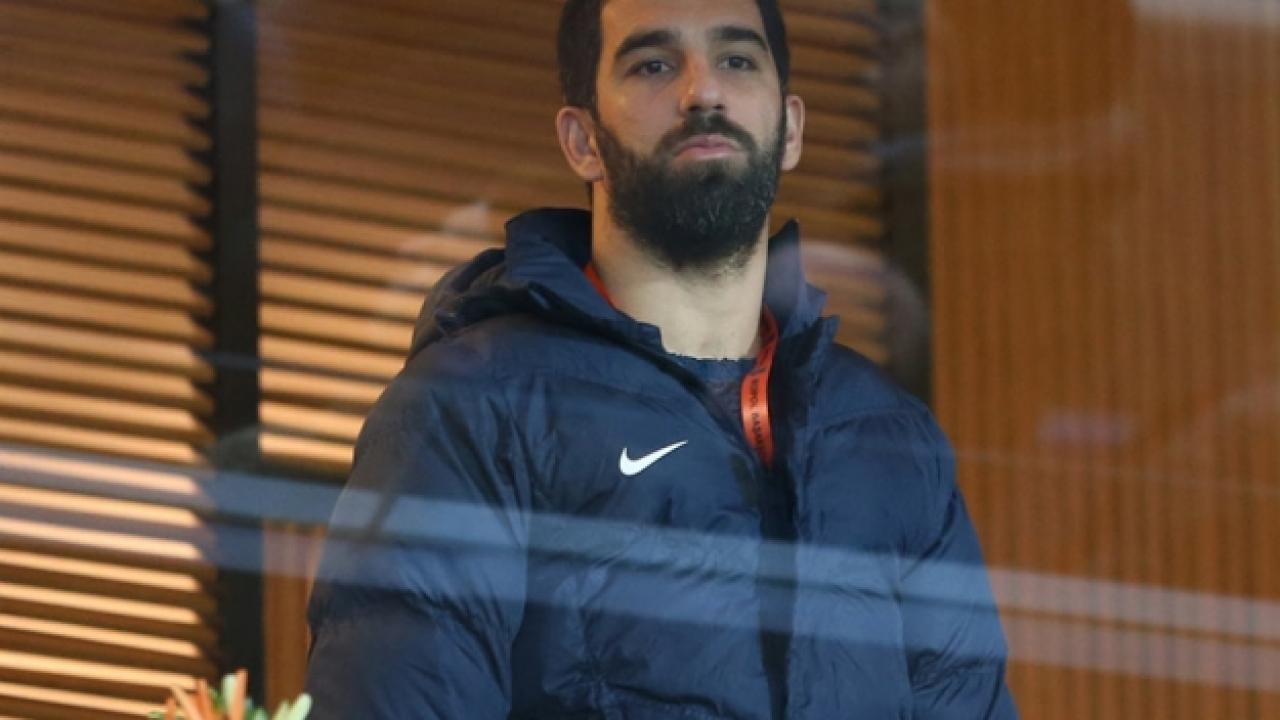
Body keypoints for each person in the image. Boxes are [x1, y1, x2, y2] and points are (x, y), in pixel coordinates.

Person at [303, 0, 1018, 717]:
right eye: (653, 65)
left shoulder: (887, 438)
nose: (703, 91)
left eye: (737, 60)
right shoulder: (472, 406)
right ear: (582, 141)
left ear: (791, 128)